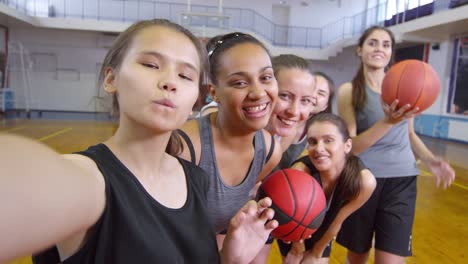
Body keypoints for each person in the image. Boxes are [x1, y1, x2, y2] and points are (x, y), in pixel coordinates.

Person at [0, 19, 278, 264]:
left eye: (185, 75)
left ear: (195, 98)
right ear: (111, 78)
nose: (170, 81)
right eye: (150, 65)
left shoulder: (195, 179)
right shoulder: (90, 181)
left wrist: (230, 258)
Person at [336, 25, 455, 264]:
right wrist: (387, 122)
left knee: (390, 260)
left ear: (391, 51)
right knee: (357, 256)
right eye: (372, 43)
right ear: (359, 50)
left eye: (386, 44)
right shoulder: (349, 91)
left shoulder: (406, 86)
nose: (379, 48)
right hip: (363, 179)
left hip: (402, 180)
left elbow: (409, 134)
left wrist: (431, 160)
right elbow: (351, 147)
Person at [176, 32, 282, 263]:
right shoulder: (185, 147)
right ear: (214, 92)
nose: (258, 92)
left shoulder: (270, 150)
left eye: (266, 77)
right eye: (240, 82)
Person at [278, 113, 376, 264]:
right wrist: (297, 248)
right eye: (312, 142)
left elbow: (337, 222)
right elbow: (294, 223)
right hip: (293, 226)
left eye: (328, 140)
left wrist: (316, 253)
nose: (319, 149)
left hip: (326, 226)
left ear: (347, 145)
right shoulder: (299, 172)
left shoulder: (364, 181)